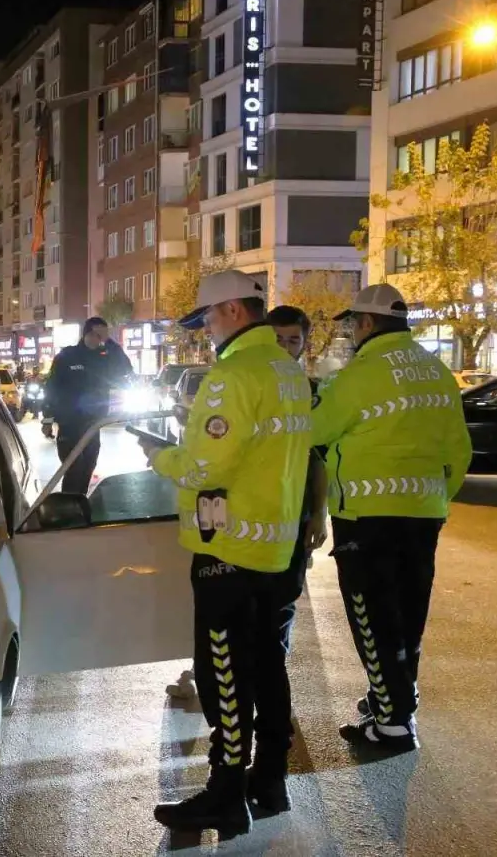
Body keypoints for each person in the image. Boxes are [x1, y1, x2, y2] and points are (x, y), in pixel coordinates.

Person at [138, 270, 311, 838]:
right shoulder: (289, 372)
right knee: (267, 665)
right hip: (275, 547)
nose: (204, 331)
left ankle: (224, 792)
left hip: (228, 549)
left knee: (224, 676)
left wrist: (161, 458)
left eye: (207, 318)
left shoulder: (231, 375)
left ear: (234, 311)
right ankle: (269, 780)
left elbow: (207, 465)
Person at [311, 284, 471, 753]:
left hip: (366, 515)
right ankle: (398, 695)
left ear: (365, 323)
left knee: (372, 616)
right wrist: (437, 497)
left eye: (351, 324)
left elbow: (317, 431)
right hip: (424, 513)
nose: (349, 332)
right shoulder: (437, 372)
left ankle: (393, 723)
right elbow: (459, 449)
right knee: (408, 612)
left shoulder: (359, 375)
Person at [42, 317, 134, 494]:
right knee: (73, 469)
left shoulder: (103, 358)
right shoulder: (67, 356)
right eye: (95, 334)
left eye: (102, 336)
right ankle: (68, 510)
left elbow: (125, 369)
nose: (98, 339)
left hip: (93, 425)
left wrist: (110, 342)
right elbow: (51, 389)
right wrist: (47, 419)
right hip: (69, 425)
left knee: (87, 468)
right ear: (86, 334)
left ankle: (79, 504)